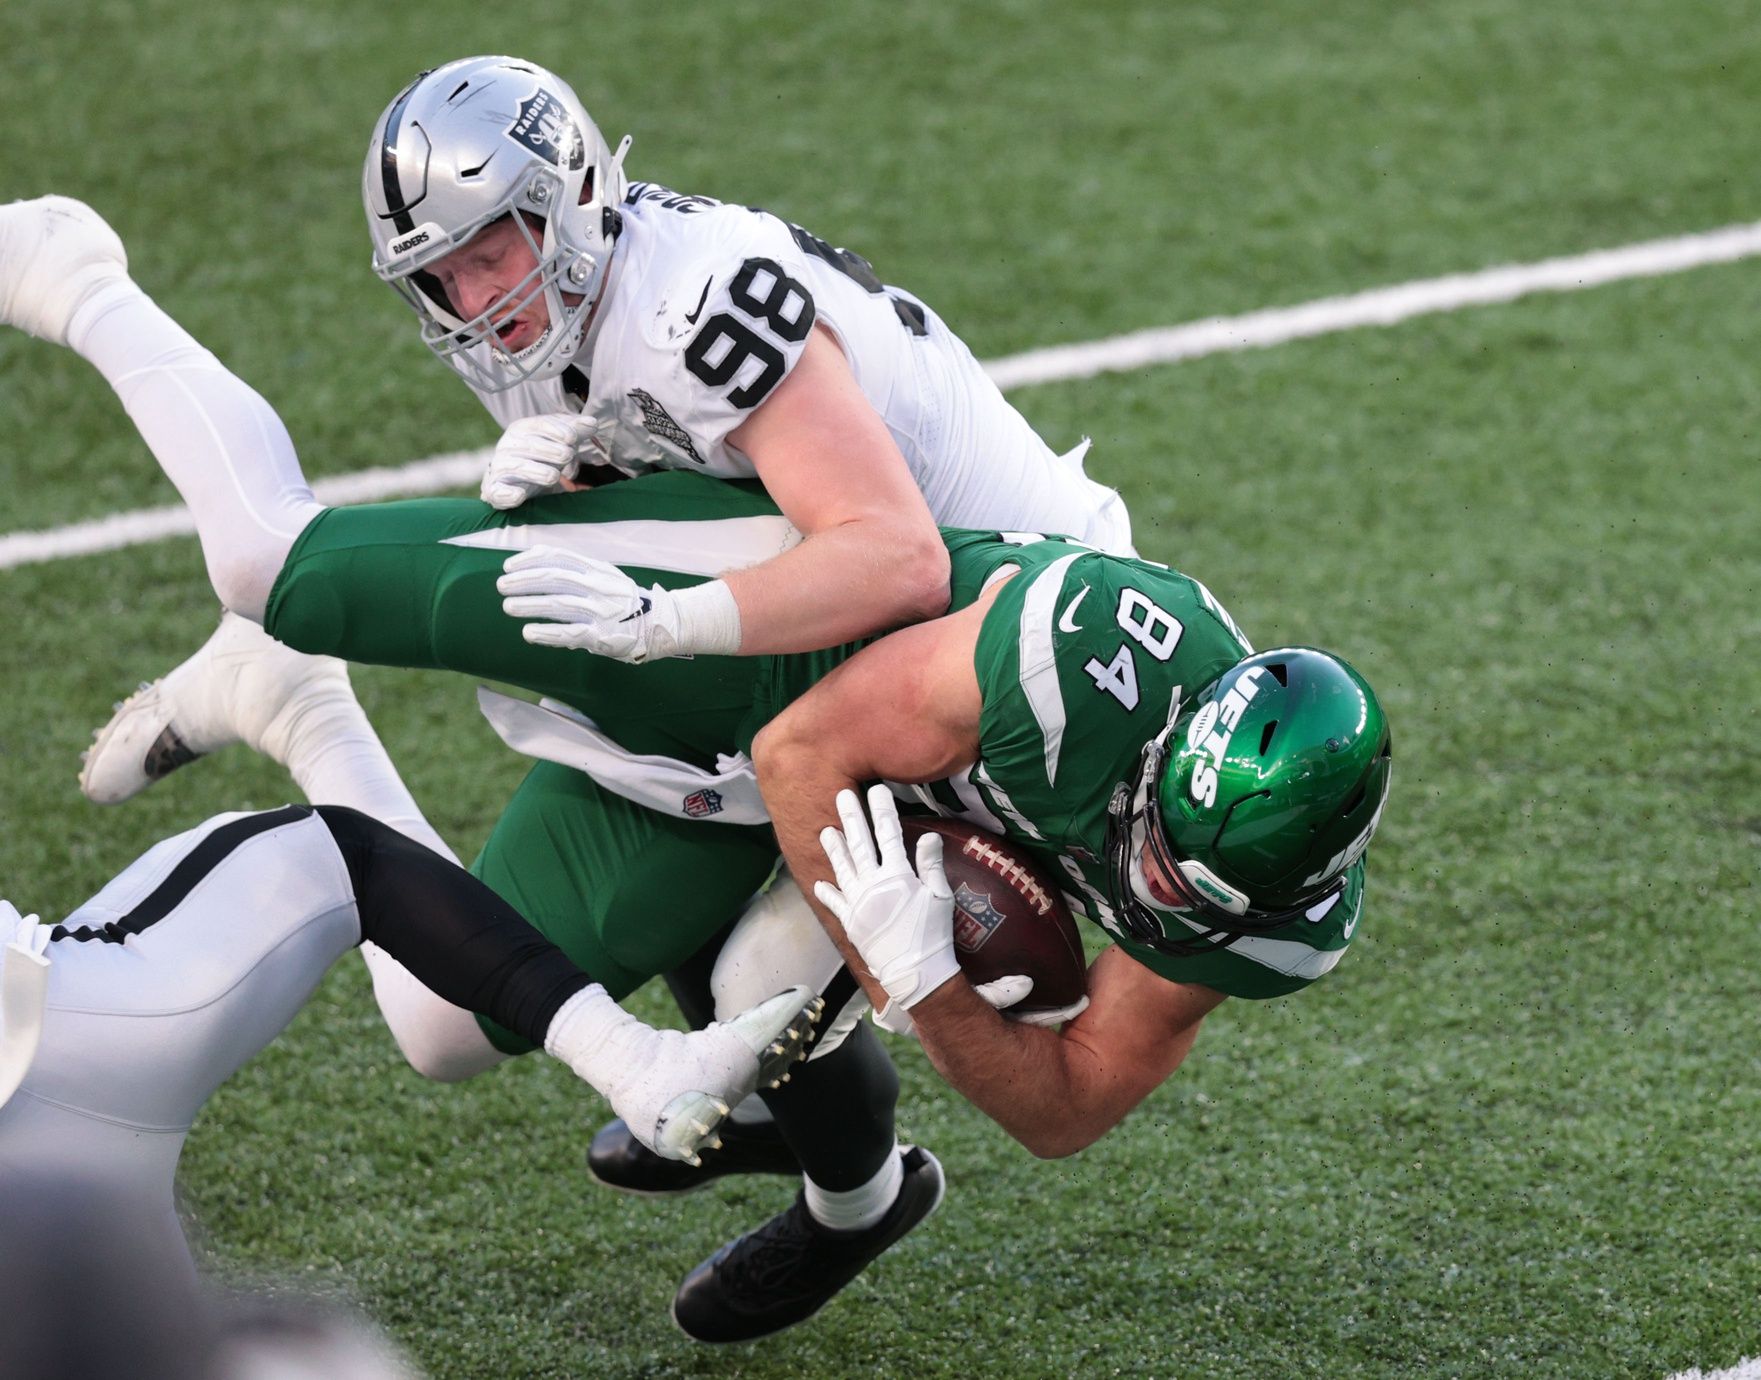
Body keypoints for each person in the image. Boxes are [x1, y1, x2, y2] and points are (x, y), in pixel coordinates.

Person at [0, 195, 1390, 1341]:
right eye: (1145, 844)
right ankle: (78, 277)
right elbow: (812, 722)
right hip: (792, 639)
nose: (1135, 885)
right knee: (275, 567)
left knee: (510, 1012)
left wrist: (924, 975)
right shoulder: (1061, 651)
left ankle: (306, 714)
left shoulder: (1269, 924)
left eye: (1172, 886)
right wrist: (649, 571)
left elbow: (1070, 1102)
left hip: (872, 703)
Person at [0, 679, 821, 1280]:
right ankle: (639, 1068)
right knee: (343, 857)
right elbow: (358, 863)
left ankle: (291, 695)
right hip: (82, 1034)